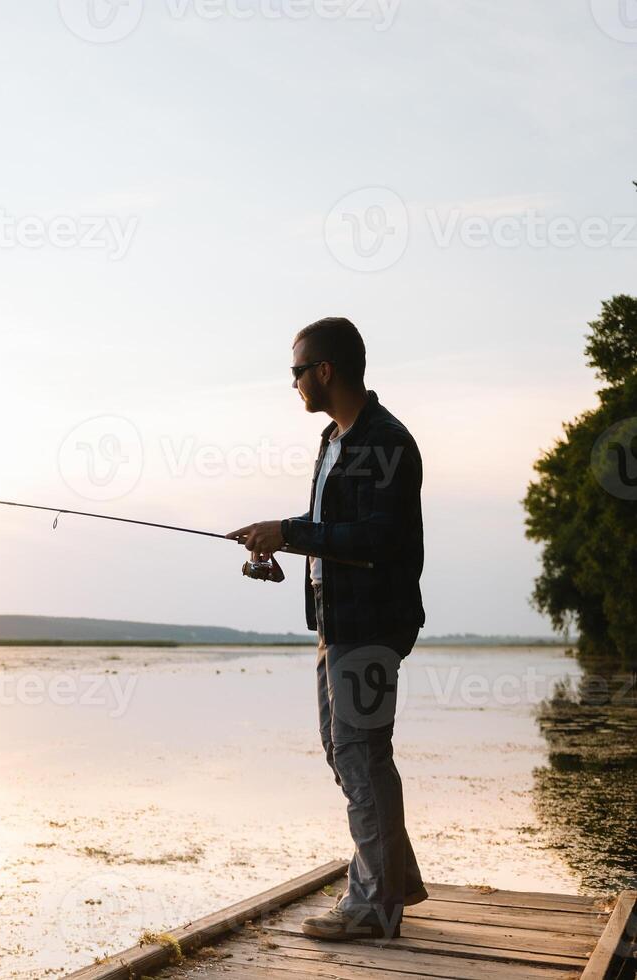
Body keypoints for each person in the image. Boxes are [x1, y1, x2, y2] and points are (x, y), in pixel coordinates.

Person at [228, 317, 428, 941]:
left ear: (325, 370)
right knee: (345, 754)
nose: (291, 383)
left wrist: (292, 534)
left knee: (363, 754)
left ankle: (373, 906)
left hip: (371, 625)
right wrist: (279, 542)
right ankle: (396, 879)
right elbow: (326, 526)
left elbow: (376, 539)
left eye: (296, 371)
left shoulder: (388, 442)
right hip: (335, 622)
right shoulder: (332, 440)